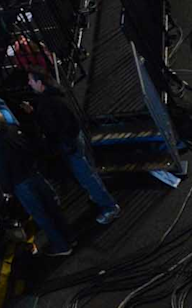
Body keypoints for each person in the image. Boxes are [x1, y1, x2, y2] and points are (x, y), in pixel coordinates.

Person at [23, 72, 120, 224]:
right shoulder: (55, 96)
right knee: (88, 172)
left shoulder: (48, 103)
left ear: (40, 83)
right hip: (74, 139)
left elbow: (52, 126)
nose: (29, 83)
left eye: (31, 81)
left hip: (69, 144)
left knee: (86, 177)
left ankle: (109, 207)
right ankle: (100, 198)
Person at [0, 110, 70, 255]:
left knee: (41, 215)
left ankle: (61, 246)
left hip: (22, 184)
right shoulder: (14, 130)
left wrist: (7, 191)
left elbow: (2, 171)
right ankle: (69, 237)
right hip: (35, 174)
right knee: (53, 208)